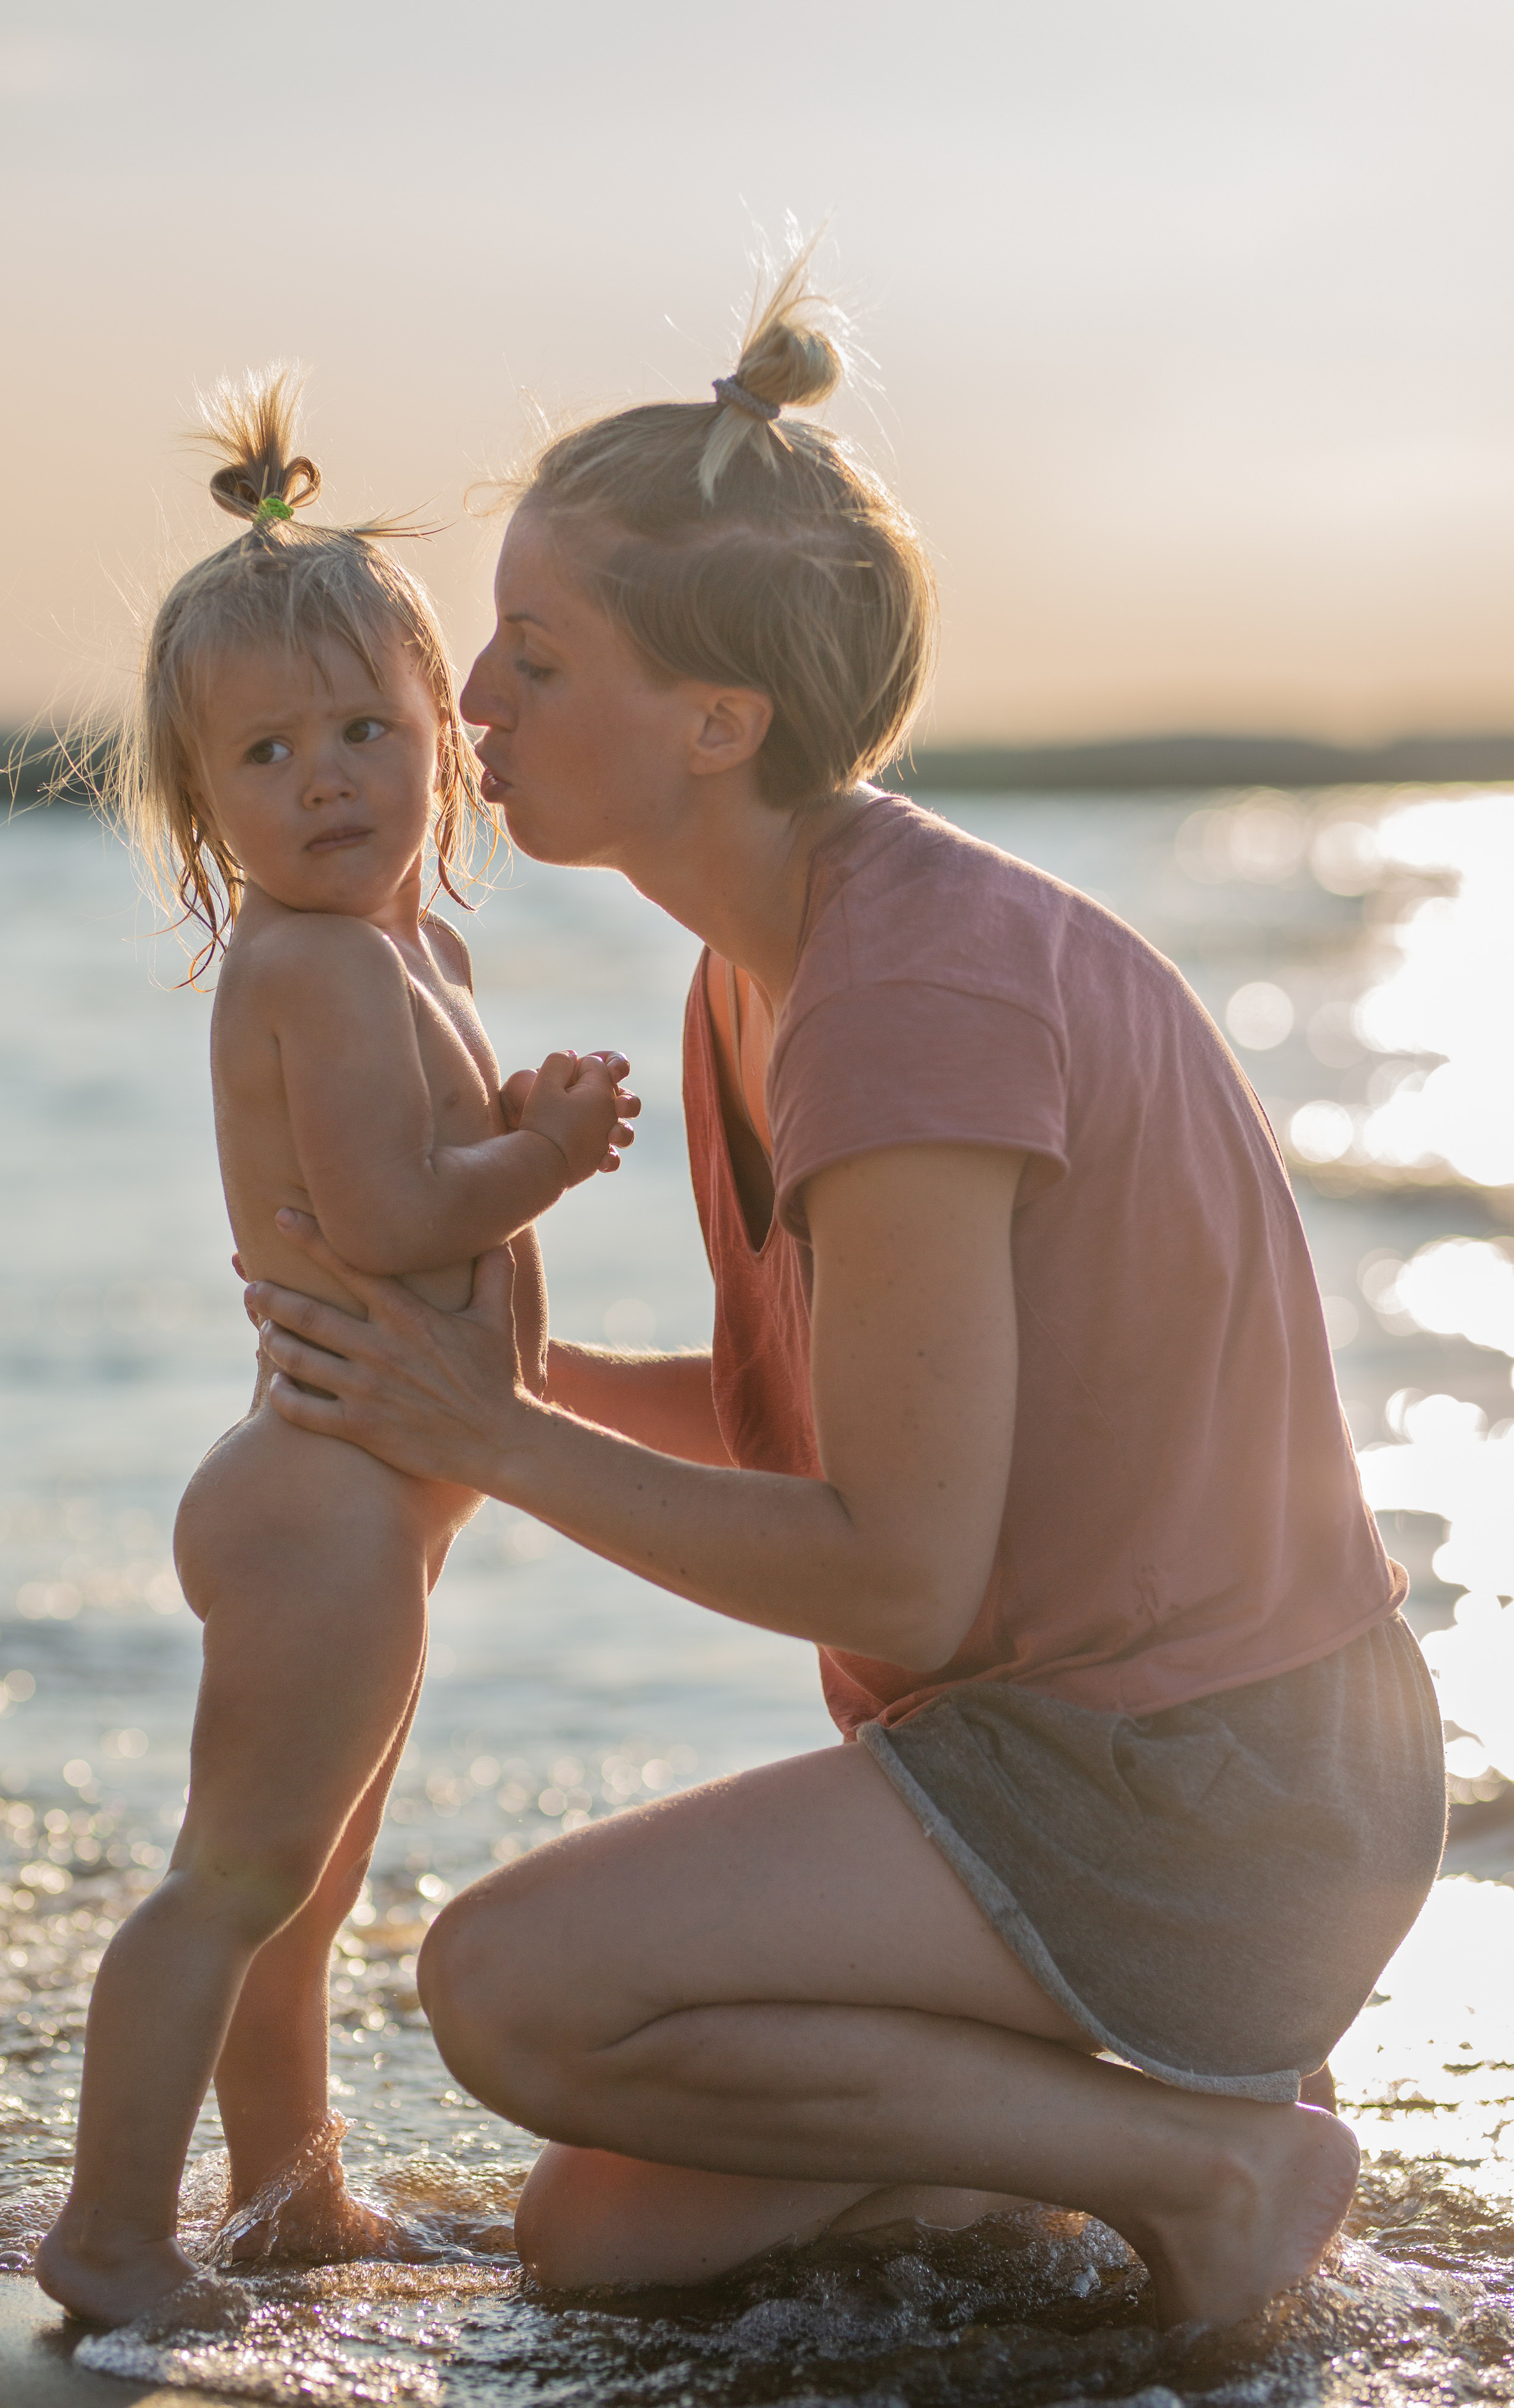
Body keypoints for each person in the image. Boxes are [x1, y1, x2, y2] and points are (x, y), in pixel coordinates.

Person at [241, 256, 1448, 2330]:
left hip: (1209, 1792)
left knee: (507, 1989)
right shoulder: (767, 962)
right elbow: (817, 1426)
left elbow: (892, 1573)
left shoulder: (905, 1005)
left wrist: (492, 1444)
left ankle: (1210, 2159)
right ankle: (1117, 2101)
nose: (473, 707)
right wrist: (508, 1373)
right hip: (1101, 1768)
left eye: (534, 655)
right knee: (605, 2238)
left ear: (720, 721)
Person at [36, 374, 638, 2332]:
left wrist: (505, 1118)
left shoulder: (414, 956)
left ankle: (290, 2204)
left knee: (303, 1901)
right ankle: (111, 2233)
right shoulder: (300, 961)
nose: (327, 779)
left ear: (442, 747)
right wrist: (543, 1154)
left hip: (380, 1500)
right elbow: (388, 1222)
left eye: (368, 729)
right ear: (200, 809)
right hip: (317, 1502)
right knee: (235, 1881)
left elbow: (409, 1163)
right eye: (268, 753)